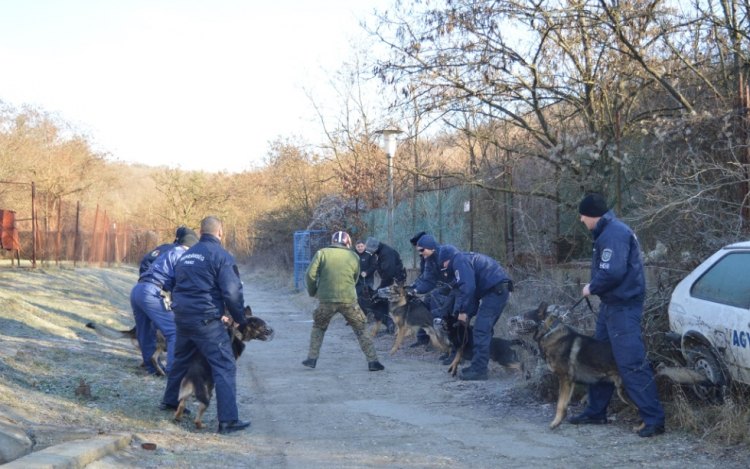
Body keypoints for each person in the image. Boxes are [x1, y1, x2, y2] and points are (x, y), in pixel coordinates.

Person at [569, 193, 666, 438]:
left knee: (631, 363)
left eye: (582, 215)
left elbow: (612, 272)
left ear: (593, 215)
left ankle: (654, 420)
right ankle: (595, 412)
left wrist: (592, 287)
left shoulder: (613, 233)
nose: (581, 220)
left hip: (623, 309)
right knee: (598, 359)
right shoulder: (608, 231)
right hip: (611, 307)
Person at [159, 216, 251, 435]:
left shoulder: (186, 255)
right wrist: (239, 318)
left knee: (181, 360)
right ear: (220, 232)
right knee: (225, 365)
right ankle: (228, 420)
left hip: (182, 317)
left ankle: (170, 402)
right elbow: (231, 291)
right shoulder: (221, 256)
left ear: (200, 231)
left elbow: (168, 283)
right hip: (206, 320)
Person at [302, 231, 384, 371]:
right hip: (349, 300)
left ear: (333, 241)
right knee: (361, 328)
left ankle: (312, 359)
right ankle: (373, 362)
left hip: (326, 300)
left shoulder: (322, 253)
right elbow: (355, 276)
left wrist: (313, 292)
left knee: (319, 327)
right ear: (348, 243)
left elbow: (310, 275)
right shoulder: (353, 255)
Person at [130, 228, 199, 375]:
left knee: (146, 334)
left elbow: (148, 262)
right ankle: (173, 373)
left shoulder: (169, 252)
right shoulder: (185, 257)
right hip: (153, 292)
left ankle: (152, 370)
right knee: (175, 332)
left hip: (138, 289)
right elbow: (183, 285)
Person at [439, 244, 513, 381]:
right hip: (496, 291)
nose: (443, 265)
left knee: (480, 330)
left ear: (447, 259)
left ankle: (479, 370)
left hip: (495, 292)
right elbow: (472, 292)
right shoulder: (463, 259)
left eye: (443, 262)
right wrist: (467, 313)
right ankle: (477, 365)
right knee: (483, 329)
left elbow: (468, 288)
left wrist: (463, 311)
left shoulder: (459, 261)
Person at [407, 233, 445, 348]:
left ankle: (437, 341)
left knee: (436, 313)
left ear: (429, 246)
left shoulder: (443, 255)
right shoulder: (428, 257)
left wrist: (416, 290)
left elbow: (430, 280)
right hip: (435, 287)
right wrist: (413, 287)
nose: (420, 253)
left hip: (445, 288)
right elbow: (425, 276)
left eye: (421, 249)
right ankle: (422, 338)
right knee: (424, 310)